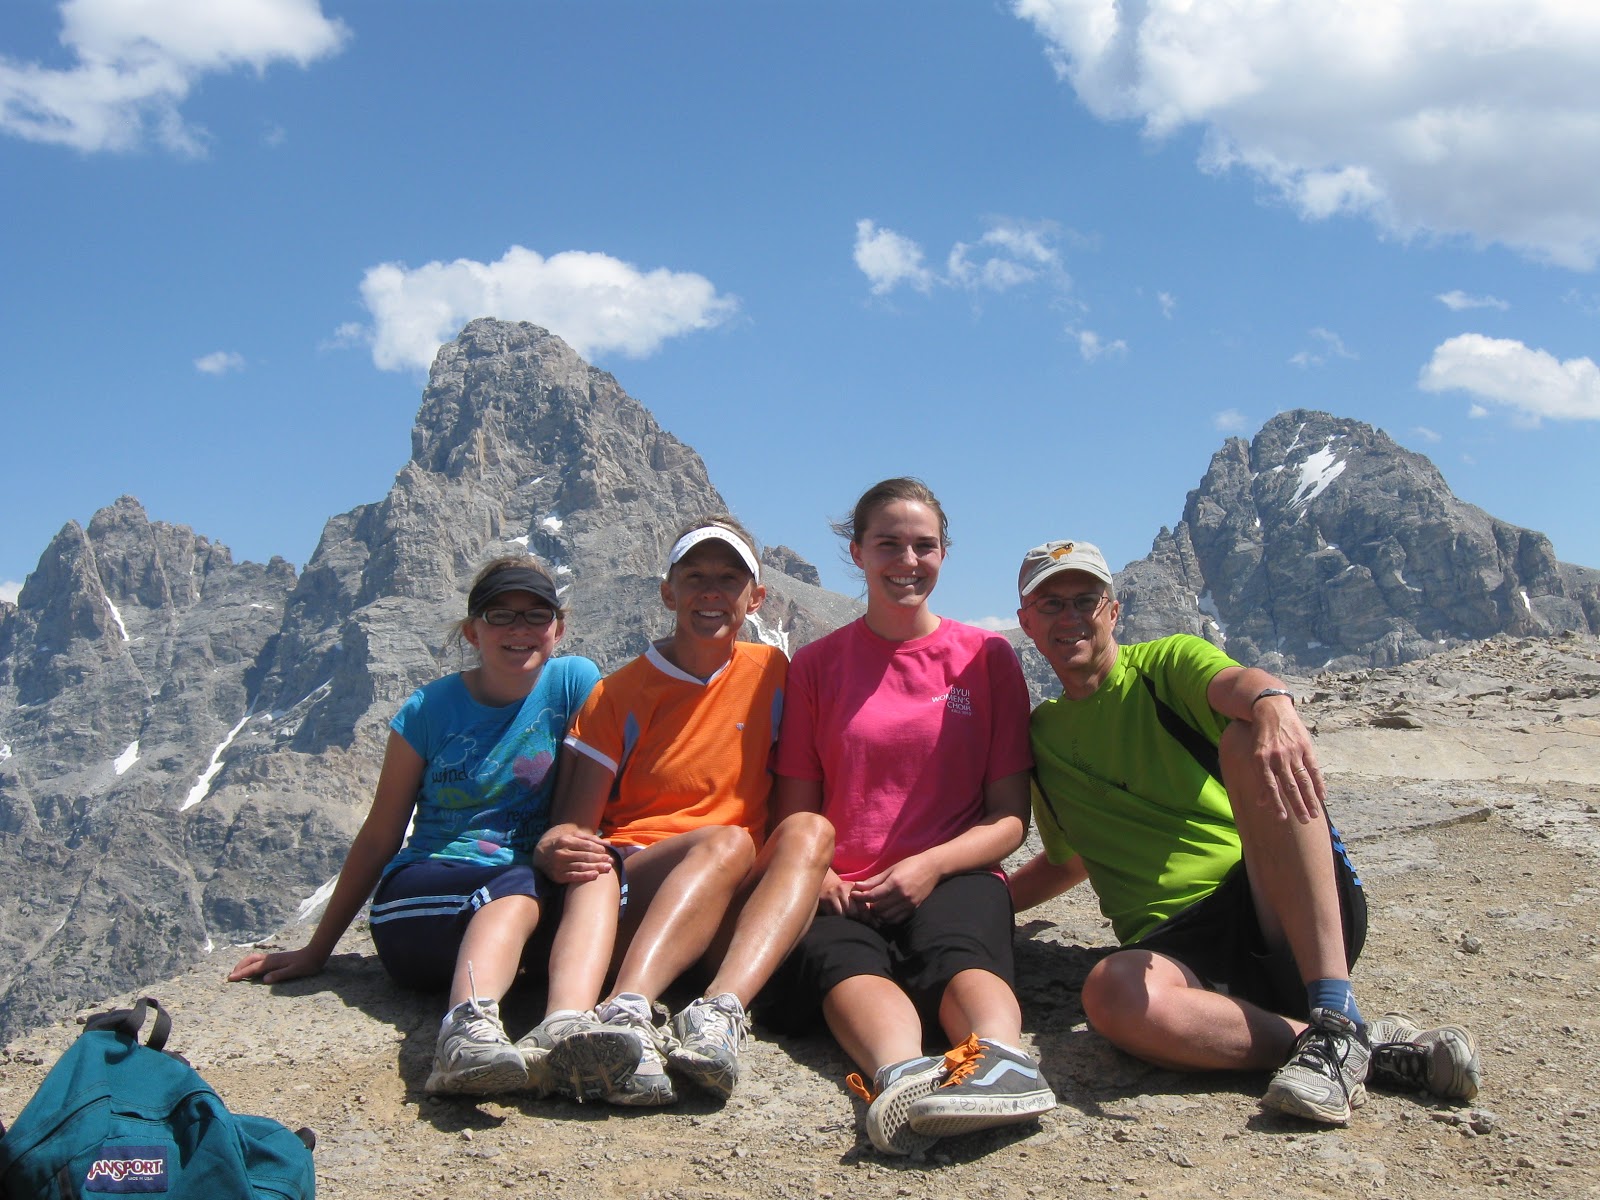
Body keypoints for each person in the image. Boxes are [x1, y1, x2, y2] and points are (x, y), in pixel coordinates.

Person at [1008, 539, 1482, 1126]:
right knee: (1110, 993)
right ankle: (1342, 1043)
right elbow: (1069, 860)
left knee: (1246, 733)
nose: (1070, 617)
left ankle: (1333, 1003)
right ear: (1027, 622)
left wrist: (1272, 703)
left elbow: (1237, 682)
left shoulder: (1164, 665)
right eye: (1051, 605)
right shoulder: (1043, 738)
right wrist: (983, 904)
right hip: (1176, 949)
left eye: (1086, 600)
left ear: (1113, 610)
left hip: (1271, 899)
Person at [229, 556, 604, 1097]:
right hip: (425, 898)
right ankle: (464, 1036)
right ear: (472, 631)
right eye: (500, 615)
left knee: (585, 875)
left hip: (527, 896)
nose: (519, 629)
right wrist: (317, 951)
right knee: (516, 882)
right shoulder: (428, 709)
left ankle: (567, 1031)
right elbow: (381, 835)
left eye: (536, 615)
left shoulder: (575, 682)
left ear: (558, 629)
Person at [767, 478, 1056, 1157]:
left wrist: (928, 866)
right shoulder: (815, 666)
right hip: (845, 882)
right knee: (843, 959)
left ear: (944, 554)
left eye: (924, 546)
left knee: (958, 949)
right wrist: (821, 877)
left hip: (953, 871)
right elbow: (794, 808)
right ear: (857, 552)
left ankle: (1002, 1062)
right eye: (888, 544)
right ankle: (900, 1076)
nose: (908, 561)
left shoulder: (986, 658)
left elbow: (1008, 820)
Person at [531, 516, 834, 1106]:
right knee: (728, 840)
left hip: (728, 901)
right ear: (668, 593)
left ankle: (720, 1011)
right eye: (695, 578)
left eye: (728, 579)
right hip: (639, 891)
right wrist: (553, 845)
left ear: (756, 598)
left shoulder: (773, 673)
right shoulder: (617, 694)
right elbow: (576, 825)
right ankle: (627, 1009)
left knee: (811, 831)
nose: (711, 593)